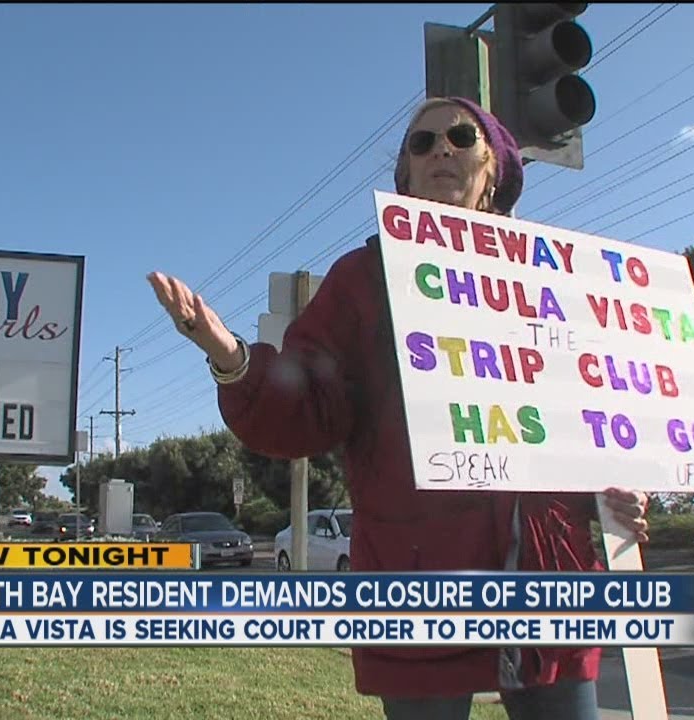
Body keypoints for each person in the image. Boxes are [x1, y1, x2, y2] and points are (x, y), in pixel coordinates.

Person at [148, 96, 650, 720]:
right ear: (405, 175)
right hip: (418, 584)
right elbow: (307, 408)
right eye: (422, 142)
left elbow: (595, 409)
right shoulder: (363, 280)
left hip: (547, 577)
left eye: (460, 137)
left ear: (493, 169)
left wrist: (618, 484)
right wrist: (231, 357)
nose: (441, 149)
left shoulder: (552, 281)